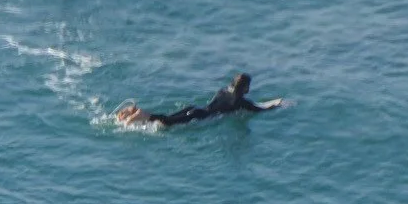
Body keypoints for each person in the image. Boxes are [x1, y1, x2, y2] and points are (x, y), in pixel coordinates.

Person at [115, 73, 285, 129]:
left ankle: (136, 112)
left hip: (196, 108)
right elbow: (259, 109)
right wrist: (278, 104)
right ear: (245, 88)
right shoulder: (241, 102)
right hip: (200, 116)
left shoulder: (223, 91)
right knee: (167, 124)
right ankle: (142, 114)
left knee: (168, 118)